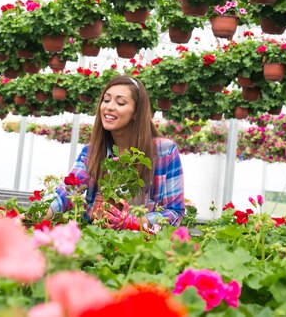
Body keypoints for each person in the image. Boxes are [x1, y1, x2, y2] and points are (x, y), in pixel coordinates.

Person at [48, 74, 185, 230]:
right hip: (100, 241)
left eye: (120, 102)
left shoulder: (164, 152)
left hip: (143, 247)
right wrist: (36, 215)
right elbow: (68, 193)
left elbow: (175, 212)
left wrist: (133, 222)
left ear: (136, 113)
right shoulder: (92, 151)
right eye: (106, 100)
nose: (109, 106)